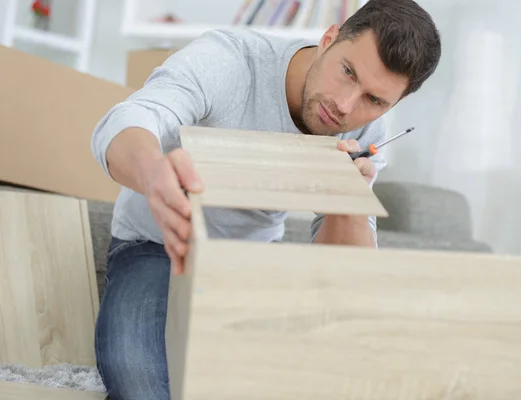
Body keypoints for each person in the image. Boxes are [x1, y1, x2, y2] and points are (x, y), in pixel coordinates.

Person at [90, 0, 441, 398]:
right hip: (157, 248)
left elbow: (343, 274)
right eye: (347, 72)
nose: (344, 105)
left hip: (253, 263)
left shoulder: (369, 129)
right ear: (328, 39)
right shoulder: (230, 61)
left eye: (374, 100)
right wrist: (153, 173)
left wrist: (348, 203)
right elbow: (126, 120)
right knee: (141, 381)